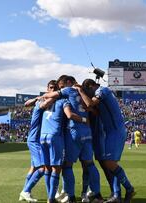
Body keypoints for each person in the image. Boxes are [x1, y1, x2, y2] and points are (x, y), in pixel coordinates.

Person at [43, 75, 103, 203]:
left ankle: (70, 197)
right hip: (88, 132)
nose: (61, 88)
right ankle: (97, 195)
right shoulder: (84, 91)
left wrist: (41, 96)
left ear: (69, 82)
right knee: (89, 164)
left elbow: (50, 95)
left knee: (67, 166)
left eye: (62, 86)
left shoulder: (69, 90)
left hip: (74, 132)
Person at [77, 79, 136, 203]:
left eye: (87, 90)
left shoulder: (102, 90)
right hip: (111, 132)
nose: (89, 94)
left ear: (90, 86)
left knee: (109, 163)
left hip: (115, 131)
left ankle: (129, 189)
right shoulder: (101, 93)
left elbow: (90, 104)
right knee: (111, 165)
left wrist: (81, 91)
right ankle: (117, 195)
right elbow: (95, 110)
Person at [19, 80, 58, 202]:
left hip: (39, 139)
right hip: (35, 139)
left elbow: (27, 104)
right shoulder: (43, 101)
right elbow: (28, 103)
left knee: (34, 167)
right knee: (42, 168)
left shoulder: (43, 99)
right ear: (47, 88)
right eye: (51, 87)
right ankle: (26, 191)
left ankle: (25, 193)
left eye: (54, 88)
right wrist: (55, 94)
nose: (52, 90)